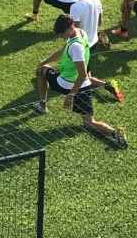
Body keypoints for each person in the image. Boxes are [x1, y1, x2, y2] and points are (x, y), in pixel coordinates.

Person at [33, 15, 127, 148]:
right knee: (89, 122)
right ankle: (115, 133)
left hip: (66, 84)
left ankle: (42, 105)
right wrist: (44, 61)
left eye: (62, 33)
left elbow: (82, 74)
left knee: (41, 71)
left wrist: (71, 95)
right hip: (85, 86)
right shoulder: (81, 33)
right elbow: (62, 52)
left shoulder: (75, 46)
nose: (61, 36)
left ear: (69, 28)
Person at [69, 0, 123, 102]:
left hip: (82, 46)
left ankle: (107, 86)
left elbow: (74, 31)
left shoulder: (75, 7)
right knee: (85, 73)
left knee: (82, 77)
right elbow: (99, 22)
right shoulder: (96, 0)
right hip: (93, 42)